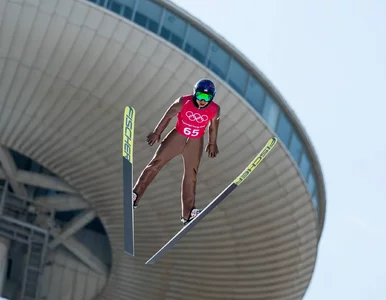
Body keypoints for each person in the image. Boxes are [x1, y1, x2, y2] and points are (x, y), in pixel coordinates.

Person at [132, 78, 221, 225]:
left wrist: (212, 143)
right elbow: (168, 116)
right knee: (156, 163)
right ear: (194, 94)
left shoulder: (214, 109)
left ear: (212, 98)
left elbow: (213, 127)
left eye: (207, 98)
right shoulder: (183, 102)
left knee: (191, 175)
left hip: (196, 141)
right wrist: (157, 132)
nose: (202, 101)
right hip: (177, 136)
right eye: (200, 96)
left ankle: (188, 213)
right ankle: (135, 194)